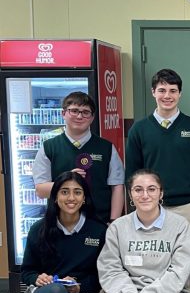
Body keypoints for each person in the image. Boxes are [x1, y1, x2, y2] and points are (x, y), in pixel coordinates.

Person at [125, 68, 190, 244]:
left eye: (173, 90)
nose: (167, 96)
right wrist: (134, 212)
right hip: (149, 208)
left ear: (180, 94)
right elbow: (131, 176)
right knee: (151, 264)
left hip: (187, 209)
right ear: (153, 92)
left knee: (189, 266)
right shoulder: (139, 129)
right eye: (162, 90)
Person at [32, 91, 125, 224]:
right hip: (61, 223)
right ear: (63, 114)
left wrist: (114, 222)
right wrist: (66, 182)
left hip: (99, 222)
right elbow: (40, 190)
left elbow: (117, 186)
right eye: (74, 111)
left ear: (92, 117)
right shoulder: (49, 148)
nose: (79, 116)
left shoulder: (107, 148)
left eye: (85, 112)